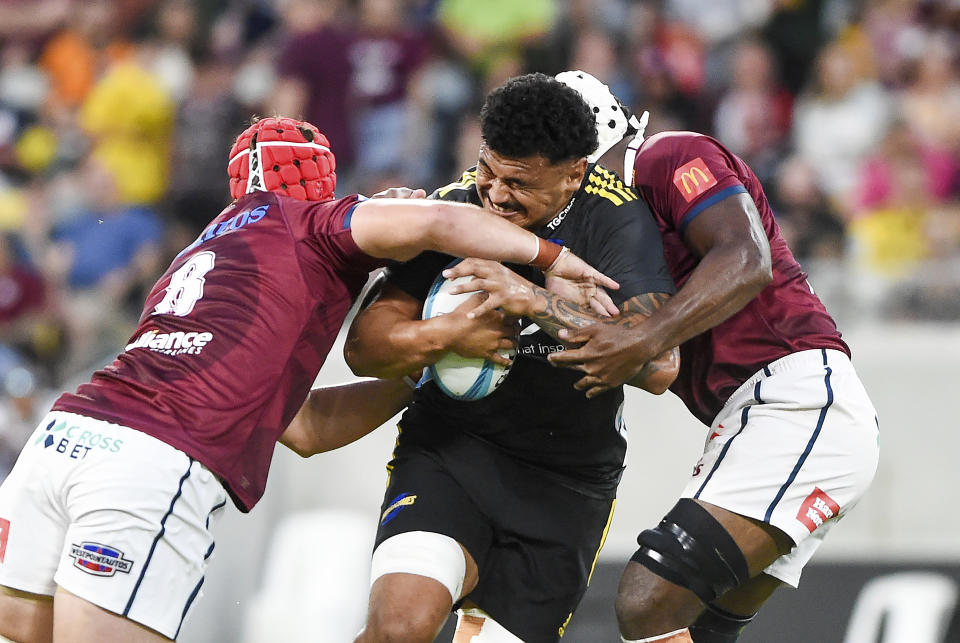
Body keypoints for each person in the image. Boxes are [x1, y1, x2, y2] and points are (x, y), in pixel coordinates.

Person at [0, 115, 618, 643]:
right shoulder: (306, 220)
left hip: (62, 438)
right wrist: (553, 259)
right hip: (150, 462)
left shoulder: (195, 260)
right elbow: (441, 224)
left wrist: (420, 369)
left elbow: (305, 428)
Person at [544, 71, 880, 642]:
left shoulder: (668, 158)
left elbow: (747, 260)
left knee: (650, 599)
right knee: (698, 627)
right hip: (750, 416)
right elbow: (652, 371)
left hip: (794, 400)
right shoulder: (597, 226)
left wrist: (645, 335)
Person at [344, 73, 678, 643]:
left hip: (566, 481)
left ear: (575, 172)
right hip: (452, 452)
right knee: (399, 626)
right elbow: (364, 349)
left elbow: (658, 366)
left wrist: (535, 301)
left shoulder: (617, 220)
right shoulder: (452, 212)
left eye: (518, 182)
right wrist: (447, 334)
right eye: (487, 170)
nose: (495, 194)